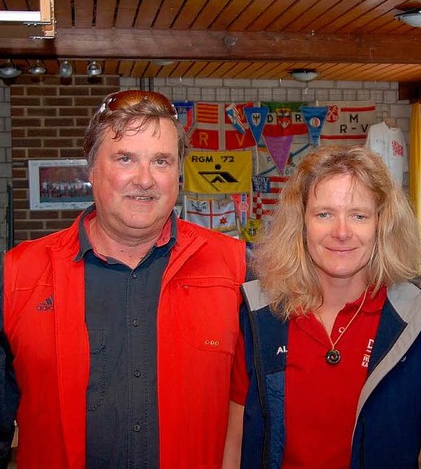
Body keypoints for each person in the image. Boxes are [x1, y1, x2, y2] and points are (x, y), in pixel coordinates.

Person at [0, 90, 247, 469]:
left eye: (161, 161)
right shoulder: (19, 274)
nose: (145, 179)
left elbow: (256, 405)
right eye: (125, 158)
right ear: (91, 169)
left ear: (178, 172)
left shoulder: (234, 269)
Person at [225, 145, 421, 469]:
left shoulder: (416, 318)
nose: (341, 232)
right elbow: (236, 441)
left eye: (358, 216)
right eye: (324, 214)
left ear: (381, 223)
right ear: (302, 223)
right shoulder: (260, 313)